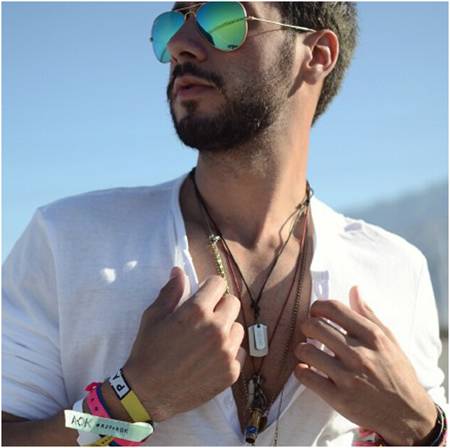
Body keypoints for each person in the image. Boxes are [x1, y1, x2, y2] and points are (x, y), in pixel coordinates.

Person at [2, 2, 447, 446]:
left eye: (223, 18)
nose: (180, 45)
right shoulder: (67, 240)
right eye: (172, 24)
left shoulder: (396, 269)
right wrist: (129, 403)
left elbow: (425, 432)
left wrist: (421, 426)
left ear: (317, 54)